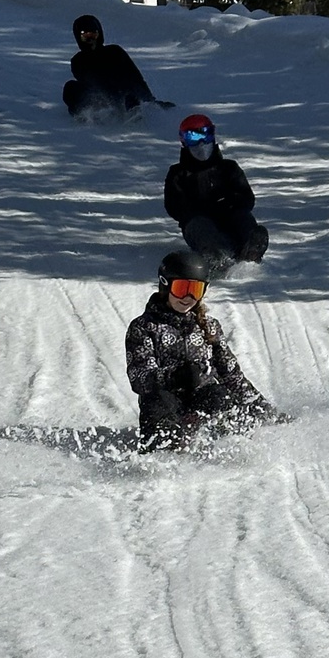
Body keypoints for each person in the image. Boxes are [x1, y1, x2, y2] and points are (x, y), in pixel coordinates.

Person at [125, 251, 282, 449]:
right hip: (166, 402)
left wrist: (264, 410)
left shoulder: (209, 326)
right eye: (182, 288)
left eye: (196, 290)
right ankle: (163, 455)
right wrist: (174, 376)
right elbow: (139, 377)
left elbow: (231, 374)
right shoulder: (143, 327)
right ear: (165, 285)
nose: (188, 297)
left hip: (200, 402)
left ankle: (224, 447)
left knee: (220, 395)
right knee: (157, 399)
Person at [163, 113, 269, 277]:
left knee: (243, 217)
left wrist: (230, 202)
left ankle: (250, 249)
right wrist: (197, 210)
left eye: (206, 135)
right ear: (183, 141)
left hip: (228, 217)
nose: (201, 143)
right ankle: (218, 258)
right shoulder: (179, 174)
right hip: (198, 223)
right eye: (193, 137)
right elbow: (173, 206)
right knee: (201, 228)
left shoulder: (229, 168)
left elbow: (247, 199)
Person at [63, 14, 174, 120]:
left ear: (99, 34)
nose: (91, 39)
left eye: (94, 35)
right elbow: (88, 82)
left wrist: (149, 100)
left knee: (127, 93)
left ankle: (133, 110)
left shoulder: (114, 51)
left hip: (122, 94)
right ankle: (90, 114)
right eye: (85, 36)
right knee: (70, 87)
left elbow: (135, 77)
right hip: (101, 99)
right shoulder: (78, 60)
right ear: (79, 38)